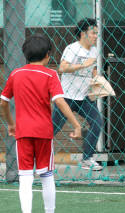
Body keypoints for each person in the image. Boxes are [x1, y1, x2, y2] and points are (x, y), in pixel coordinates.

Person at [1, 34, 81, 213]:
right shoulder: (51, 74)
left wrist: (11, 124)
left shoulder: (16, 74)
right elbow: (59, 101)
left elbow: (3, 102)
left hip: (23, 132)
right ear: (48, 54)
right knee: (46, 175)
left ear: (25, 55)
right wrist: (76, 124)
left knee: (25, 176)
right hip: (44, 132)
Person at [52, 18, 103, 171]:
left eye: (96, 33)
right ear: (83, 34)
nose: (95, 36)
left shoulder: (94, 51)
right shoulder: (71, 48)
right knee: (53, 128)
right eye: (93, 33)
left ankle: (87, 159)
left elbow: (93, 70)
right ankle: (35, 157)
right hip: (67, 97)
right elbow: (62, 68)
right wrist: (83, 64)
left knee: (97, 122)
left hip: (84, 97)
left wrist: (99, 81)